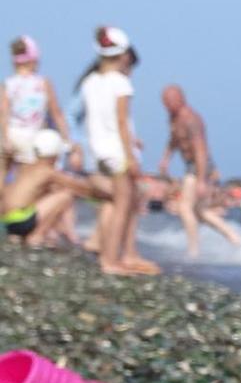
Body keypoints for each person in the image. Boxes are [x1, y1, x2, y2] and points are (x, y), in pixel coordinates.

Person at [78, 25, 157, 276]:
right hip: (117, 151)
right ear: (124, 55)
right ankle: (112, 260)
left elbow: (94, 119)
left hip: (98, 150)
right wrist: (131, 156)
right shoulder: (120, 82)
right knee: (124, 205)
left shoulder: (90, 82)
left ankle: (121, 255)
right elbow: (122, 122)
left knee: (121, 202)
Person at [156, 84, 241, 257]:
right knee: (200, 212)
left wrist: (202, 180)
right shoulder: (173, 118)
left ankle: (193, 250)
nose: (167, 104)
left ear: (181, 99)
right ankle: (235, 239)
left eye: (170, 100)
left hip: (200, 166)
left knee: (185, 207)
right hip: (190, 166)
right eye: (165, 101)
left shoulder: (192, 119)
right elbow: (173, 139)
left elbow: (201, 151)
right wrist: (166, 158)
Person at [0, 129, 100, 246]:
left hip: (6, 220)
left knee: (54, 191)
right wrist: (105, 192)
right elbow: (81, 188)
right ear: (55, 154)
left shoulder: (26, 167)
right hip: (20, 221)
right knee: (65, 196)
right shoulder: (48, 172)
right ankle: (37, 235)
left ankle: (58, 233)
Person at [2, 36, 69, 181]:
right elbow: (56, 113)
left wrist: (5, 138)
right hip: (30, 136)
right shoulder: (43, 83)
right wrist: (66, 138)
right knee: (24, 180)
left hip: (10, 133)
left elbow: (4, 114)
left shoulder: (8, 84)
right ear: (33, 59)